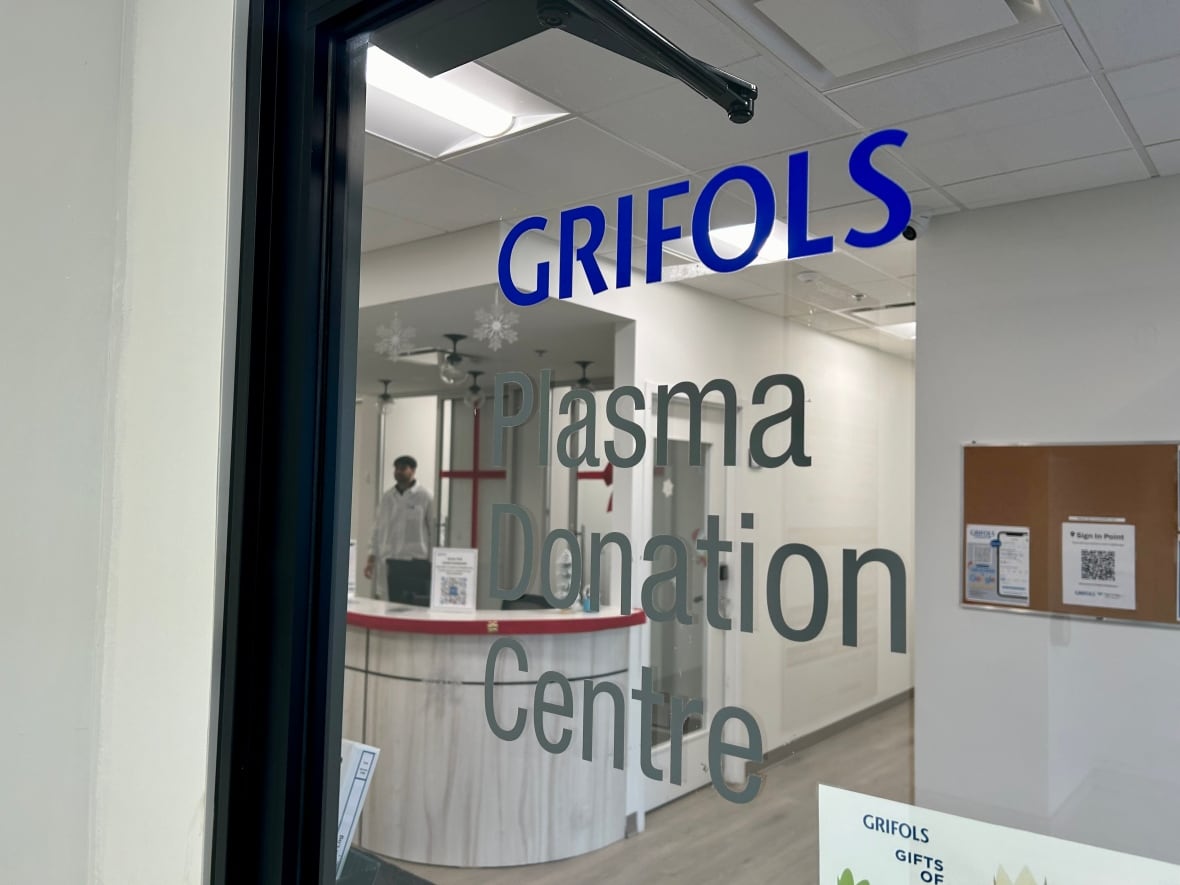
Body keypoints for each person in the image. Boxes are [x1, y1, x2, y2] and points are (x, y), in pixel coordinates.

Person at [364, 455, 435, 606]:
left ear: (413, 471)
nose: (398, 472)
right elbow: (377, 529)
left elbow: (433, 531)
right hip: (389, 560)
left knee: (413, 607)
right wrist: (371, 559)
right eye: (396, 468)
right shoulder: (387, 497)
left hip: (415, 562)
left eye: (403, 468)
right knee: (387, 604)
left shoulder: (425, 496)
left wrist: (434, 562)